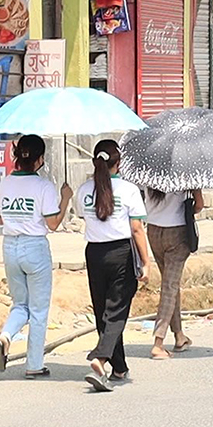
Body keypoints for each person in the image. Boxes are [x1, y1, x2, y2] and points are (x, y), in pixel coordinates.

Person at [0, 135, 73, 377]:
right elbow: (53, 224)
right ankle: (34, 364)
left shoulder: (6, 183)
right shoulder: (44, 186)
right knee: (38, 310)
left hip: (10, 247)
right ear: (41, 159)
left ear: (17, 156)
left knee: (20, 304)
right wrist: (65, 199)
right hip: (34, 248)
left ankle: (5, 336)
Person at [75, 139, 151, 393]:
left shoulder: (84, 190)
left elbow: (81, 215)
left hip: (94, 253)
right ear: (119, 163)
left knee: (102, 311)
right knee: (117, 311)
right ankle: (101, 358)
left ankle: (119, 367)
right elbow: (137, 229)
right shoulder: (129, 190)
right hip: (120, 252)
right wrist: (146, 262)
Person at [145, 189, 204, 360]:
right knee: (170, 286)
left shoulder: (150, 172)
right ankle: (158, 342)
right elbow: (199, 205)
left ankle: (179, 335)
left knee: (170, 283)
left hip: (154, 231)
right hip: (177, 232)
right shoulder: (186, 173)